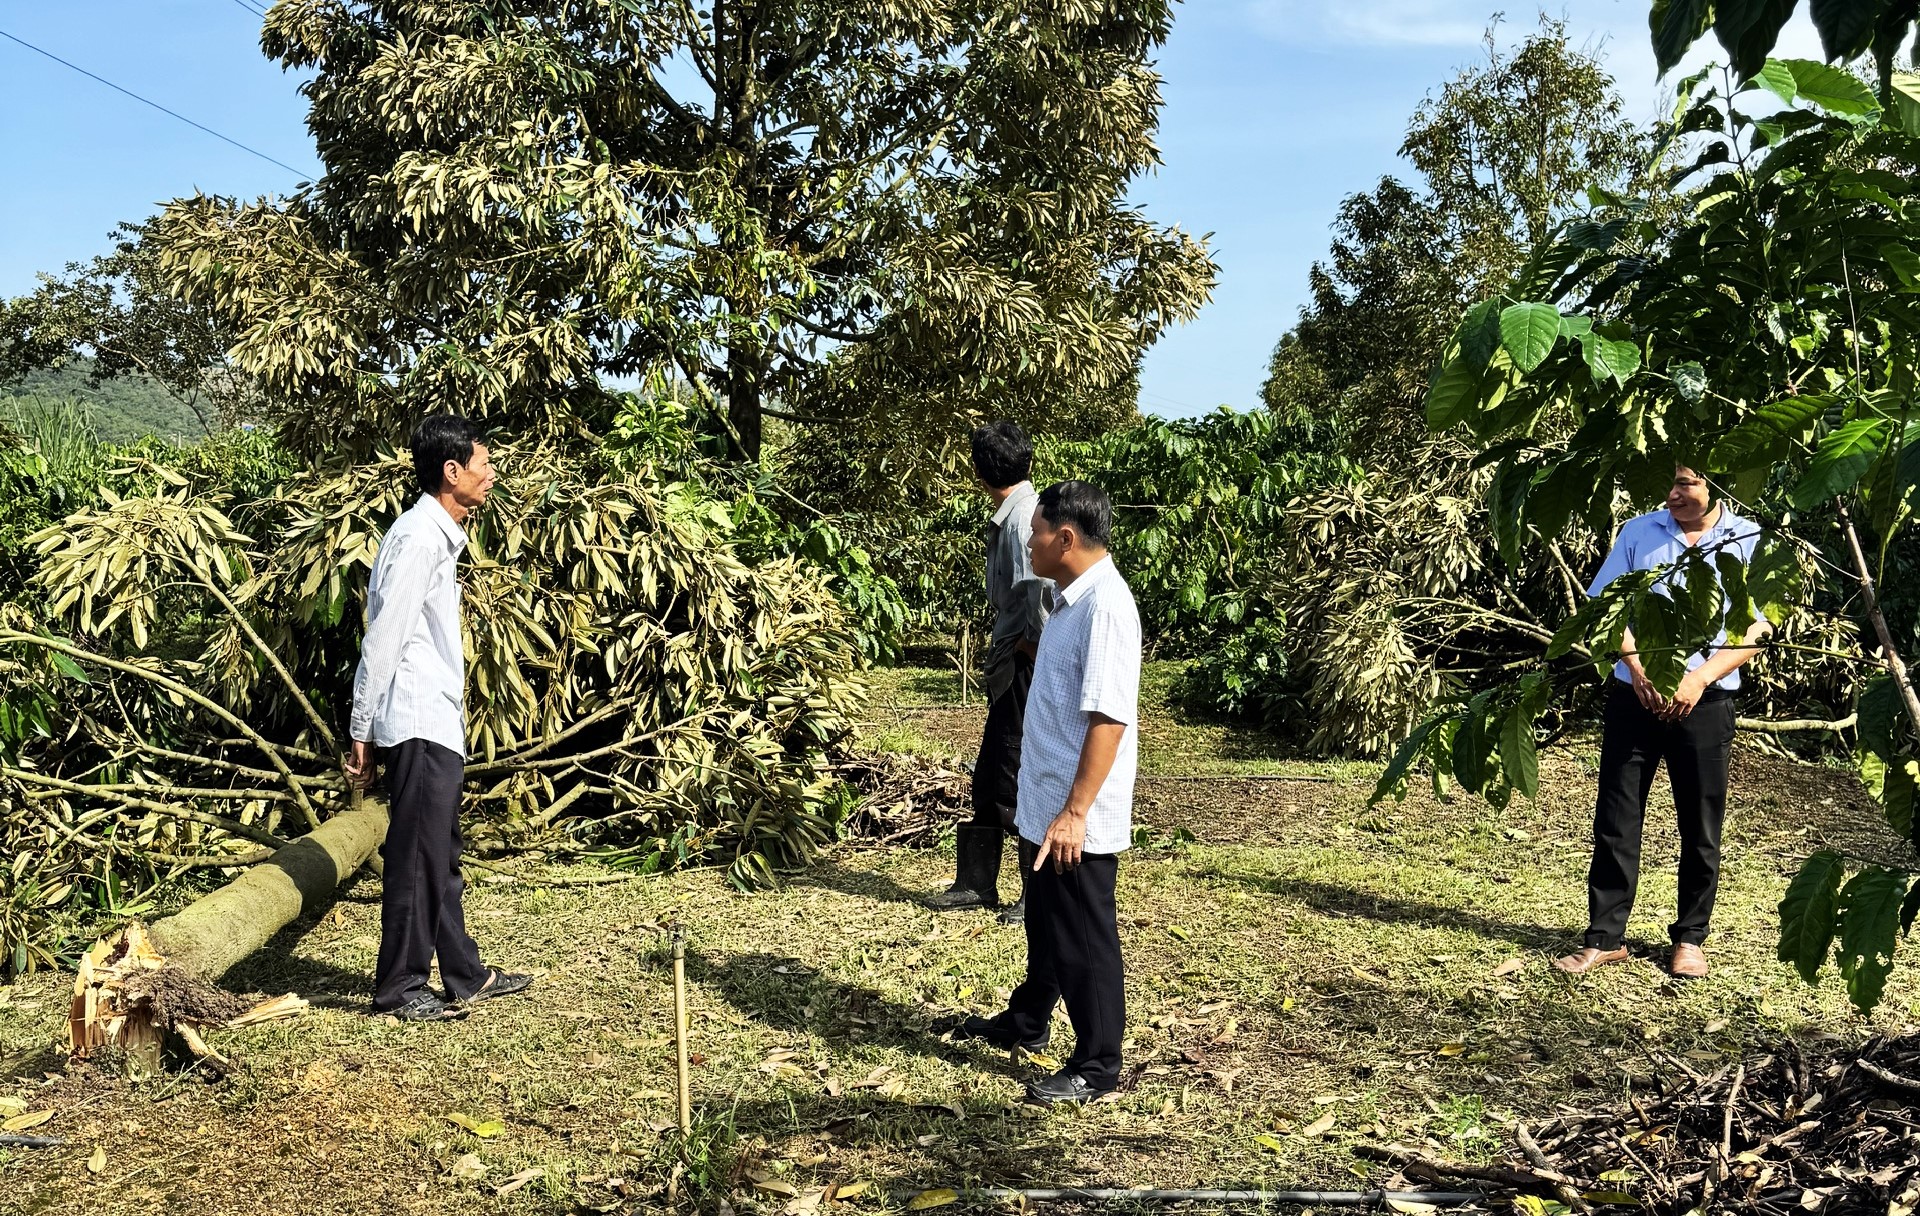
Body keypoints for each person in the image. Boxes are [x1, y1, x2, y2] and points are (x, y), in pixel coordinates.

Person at [950, 480, 1141, 1105]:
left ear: (1064, 537)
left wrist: (1076, 812)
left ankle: (1097, 1064)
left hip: (1074, 814)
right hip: (1045, 803)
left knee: (1083, 933)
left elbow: (1109, 719)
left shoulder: (1106, 607)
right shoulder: (1067, 600)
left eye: (1034, 531)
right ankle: (1029, 1020)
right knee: (1047, 924)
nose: (1026, 541)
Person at [345, 415, 535, 1021]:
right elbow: (385, 638)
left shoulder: (432, 535)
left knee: (438, 850)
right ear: (451, 473)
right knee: (416, 857)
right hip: (418, 719)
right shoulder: (421, 538)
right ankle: (399, 986)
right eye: (483, 463)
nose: (491, 473)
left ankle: (463, 973)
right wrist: (361, 729)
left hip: (436, 721)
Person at [1554, 465, 1772, 981]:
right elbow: (1606, 606)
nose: (1673, 494)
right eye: (1670, 484)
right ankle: (1604, 937)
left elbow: (1757, 624)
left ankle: (1690, 939)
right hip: (1636, 697)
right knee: (1616, 815)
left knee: (1700, 823)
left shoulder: (1749, 538)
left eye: (1686, 484)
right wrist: (1640, 669)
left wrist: (1697, 680)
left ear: (1716, 489)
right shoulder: (1638, 532)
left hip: (1708, 700)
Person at [927, 422, 1052, 924]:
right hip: (1014, 657)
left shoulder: (1024, 518)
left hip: (1025, 659)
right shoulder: (1019, 510)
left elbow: (1040, 591)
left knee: (1011, 772)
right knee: (990, 772)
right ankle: (976, 883)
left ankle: (1032, 894)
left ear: (980, 471)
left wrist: (1029, 646)